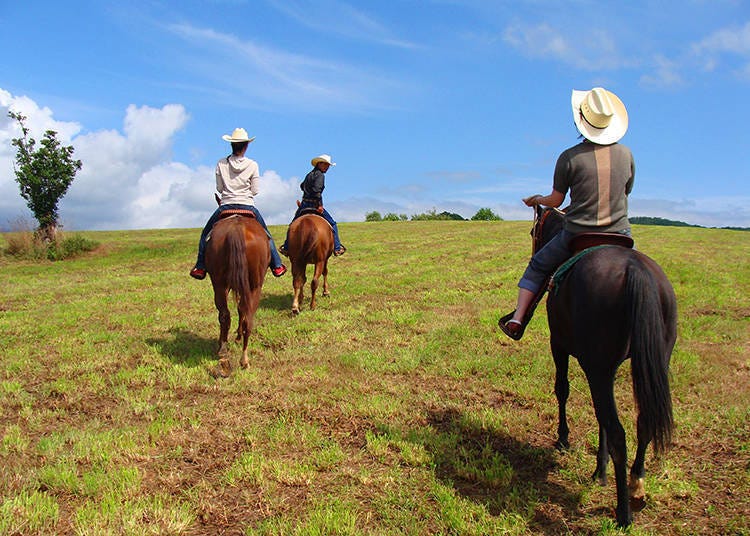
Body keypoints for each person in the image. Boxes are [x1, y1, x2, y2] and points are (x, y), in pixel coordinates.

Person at [499, 87, 634, 340]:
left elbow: (557, 200)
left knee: (538, 265)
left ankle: (517, 320)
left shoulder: (569, 157)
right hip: (621, 234)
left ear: (581, 121)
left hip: (579, 234)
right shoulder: (627, 155)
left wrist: (536, 200)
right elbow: (625, 192)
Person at [190, 127, 287, 280]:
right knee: (267, 235)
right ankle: (277, 264)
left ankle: (200, 266)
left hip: (226, 205)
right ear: (246, 146)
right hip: (247, 207)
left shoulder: (221, 163)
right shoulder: (253, 164)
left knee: (205, 235)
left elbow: (219, 188)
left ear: (231, 145)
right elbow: (255, 191)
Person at [279, 154, 347, 257]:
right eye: (326, 165)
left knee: (292, 225)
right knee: (333, 224)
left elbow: (302, 186)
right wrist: (319, 204)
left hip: (304, 204)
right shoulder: (320, 175)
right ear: (320, 164)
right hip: (314, 204)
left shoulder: (309, 174)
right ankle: (337, 248)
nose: (328, 167)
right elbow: (317, 191)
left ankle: (287, 247)